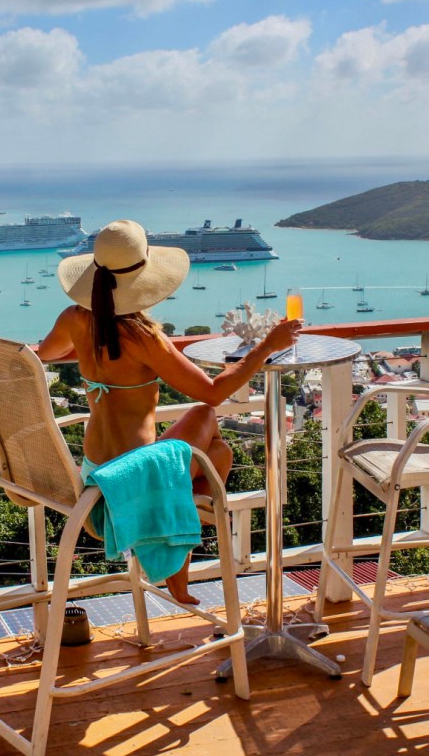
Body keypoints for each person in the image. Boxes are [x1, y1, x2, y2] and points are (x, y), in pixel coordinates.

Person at [38, 219, 302, 604]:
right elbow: (214, 392)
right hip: (132, 483)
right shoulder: (143, 337)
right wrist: (267, 346)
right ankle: (177, 556)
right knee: (204, 415)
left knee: (220, 453)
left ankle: (179, 555)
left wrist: (90, 347)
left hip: (94, 479)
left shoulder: (74, 319)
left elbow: (46, 353)